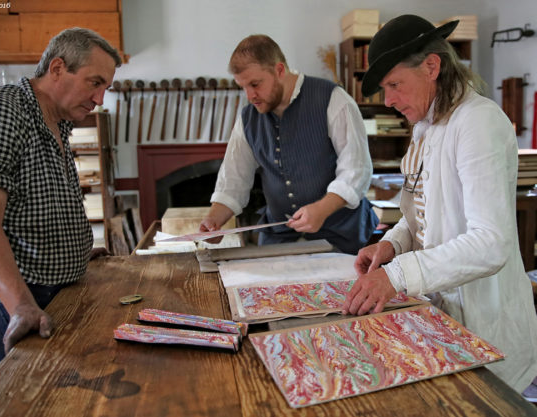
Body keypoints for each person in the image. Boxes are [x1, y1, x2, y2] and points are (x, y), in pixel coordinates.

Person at [343, 14, 537, 394]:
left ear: (432, 66)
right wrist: (393, 244)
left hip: (487, 325)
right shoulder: (426, 126)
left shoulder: (478, 122)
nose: (389, 100)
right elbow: (423, 211)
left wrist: (397, 276)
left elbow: (490, 243)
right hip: (443, 321)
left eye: (395, 84)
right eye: (385, 89)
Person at [0, 27, 121, 365]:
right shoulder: (1, 111)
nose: (99, 99)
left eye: (105, 88)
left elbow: (33, 206)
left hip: (50, 291)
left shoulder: (55, 121)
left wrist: (74, 249)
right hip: (15, 298)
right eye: (94, 83)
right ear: (57, 69)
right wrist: (19, 304)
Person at [200, 34, 377, 254]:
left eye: (255, 84)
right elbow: (233, 181)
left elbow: (357, 170)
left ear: (280, 70)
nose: (250, 96)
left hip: (340, 235)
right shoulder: (247, 119)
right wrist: (214, 220)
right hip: (279, 238)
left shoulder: (333, 100)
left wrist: (322, 209)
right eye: (243, 87)